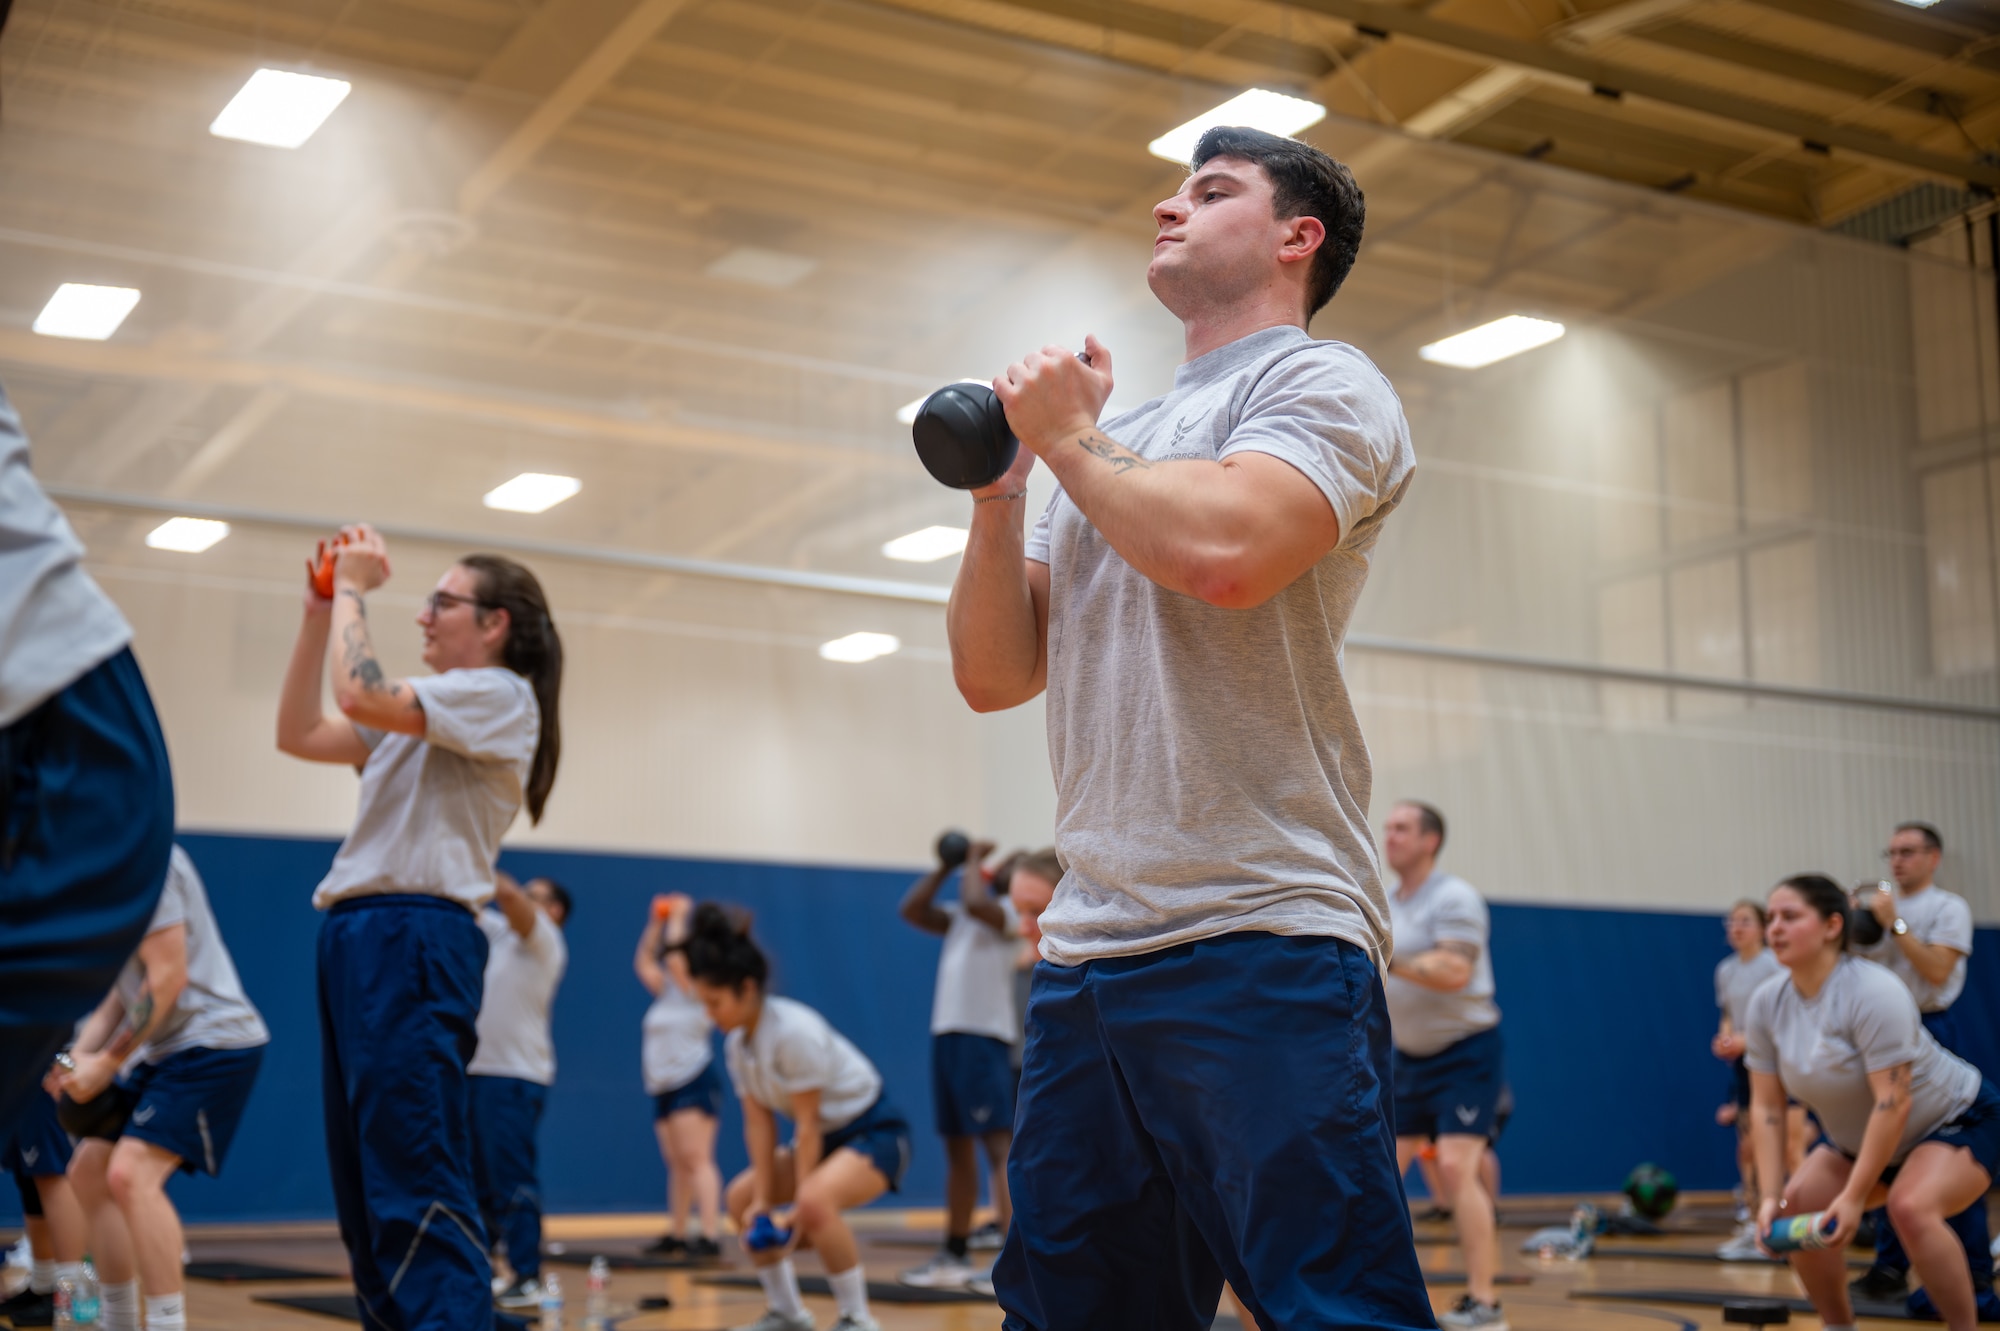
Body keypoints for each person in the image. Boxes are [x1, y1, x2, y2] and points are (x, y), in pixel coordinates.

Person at [946, 120, 1432, 1331]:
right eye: (1170, 188)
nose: (1168, 207)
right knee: (1071, 1316)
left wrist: (1065, 439)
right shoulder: (1119, 442)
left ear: (1294, 237)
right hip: (1089, 955)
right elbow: (995, 672)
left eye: (1208, 191)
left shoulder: (1319, 382)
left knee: (1329, 1310)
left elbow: (1225, 554)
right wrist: (1003, 495)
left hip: (1258, 925)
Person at [277, 524, 563, 1331]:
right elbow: (298, 732)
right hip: (363, 936)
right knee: (370, 1193)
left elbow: (358, 692)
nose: (426, 616)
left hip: (412, 934)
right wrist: (318, 610)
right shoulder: (433, 712)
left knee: (415, 1179)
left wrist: (359, 589)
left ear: (496, 622)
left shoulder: (500, 695)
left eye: (443, 602)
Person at [0, 380, 175, 1132]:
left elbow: (166, 972)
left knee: (118, 1172)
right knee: (108, 1172)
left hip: (54, 712)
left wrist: (97, 1060)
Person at [1746, 873, 2000, 1331]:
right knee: (1796, 1207)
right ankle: (1839, 1326)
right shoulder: (1766, 1004)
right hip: (1863, 1141)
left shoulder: (1873, 991)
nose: (1775, 929)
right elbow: (1766, 1109)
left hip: (1957, 1119)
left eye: (1790, 916)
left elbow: (1893, 1102)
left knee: (1909, 1207)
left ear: (1831, 926)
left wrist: (1853, 1197)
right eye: (1771, 918)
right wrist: (1767, 1199)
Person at [54, 845, 269, 1331]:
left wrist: (106, 1065)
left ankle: (167, 1326)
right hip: (162, 1050)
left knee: (130, 1175)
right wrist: (73, 1061)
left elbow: (167, 979)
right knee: (88, 1170)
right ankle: (119, 1321)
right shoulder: (97, 869)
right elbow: (120, 992)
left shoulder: (149, 858)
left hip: (215, 1043)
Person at [684, 904, 912, 1331]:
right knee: (741, 1199)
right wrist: (765, 1202)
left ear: (746, 988)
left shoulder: (793, 1032)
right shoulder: (737, 1046)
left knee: (813, 1202)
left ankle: (857, 1318)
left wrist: (799, 1213)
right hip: (824, 1139)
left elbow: (805, 1124)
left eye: (714, 1002)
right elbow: (760, 1124)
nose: (709, 1015)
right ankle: (787, 1312)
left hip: (875, 1132)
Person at [1380, 802, 1507, 1331]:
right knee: (1380, 1171)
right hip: (1407, 1056)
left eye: (1402, 828)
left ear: (1430, 840)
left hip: (1465, 1049)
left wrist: (1390, 959)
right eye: (1387, 828)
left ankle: (1484, 1302)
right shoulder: (1384, 902)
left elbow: (1455, 970)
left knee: (1455, 1166)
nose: (1390, 837)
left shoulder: (1454, 898)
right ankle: (1371, 1292)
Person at [1849, 822, 1986, 1303]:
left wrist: (1895, 924)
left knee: (1942, 1152)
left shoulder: (1948, 907)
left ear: (1934, 858)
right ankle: (1889, 1268)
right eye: (1892, 852)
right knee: (1886, 1151)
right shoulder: (1878, 907)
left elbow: (1937, 969)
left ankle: (1973, 1274)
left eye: (1908, 852)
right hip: (1877, 1036)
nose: (1897, 861)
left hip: (1932, 1027)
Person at [897, 836, 1020, 1289]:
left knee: (996, 1147)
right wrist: (942, 866)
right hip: (950, 1037)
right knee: (956, 1147)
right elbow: (911, 909)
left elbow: (973, 900)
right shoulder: (962, 919)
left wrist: (971, 861)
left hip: (984, 1038)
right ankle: (954, 1251)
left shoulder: (1009, 914)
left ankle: (1012, 1260)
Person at [469, 872, 571, 1308]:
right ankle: (481, 1269)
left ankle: (526, 1275)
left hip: (515, 1075)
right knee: (477, 1181)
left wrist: (473, 850)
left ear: (554, 911)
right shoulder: (499, 936)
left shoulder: (544, 939)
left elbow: (506, 893)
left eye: (537, 896)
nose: (524, 898)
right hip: (479, 1072)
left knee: (511, 1177)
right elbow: (472, 907)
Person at [1710, 899, 1807, 1260]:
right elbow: (1727, 1015)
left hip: (1780, 1062)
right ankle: (1756, 1226)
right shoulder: (1725, 970)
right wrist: (1726, 1039)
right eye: (1731, 922)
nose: (1736, 928)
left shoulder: (1774, 966)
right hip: (1745, 1068)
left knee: (1790, 1149)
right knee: (1749, 1148)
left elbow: (1783, 1020)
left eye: (1744, 921)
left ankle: (1800, 1226)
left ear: (1762, 926)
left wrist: (1747, 1040)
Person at [635, 892, 724, 1260]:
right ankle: (678, 1232)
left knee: (696, 1157)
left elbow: (673, 957)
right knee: (676, 1162)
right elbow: (644, 961)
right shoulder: (667, 992)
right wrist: (655, 922)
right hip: (664, 1084)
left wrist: (678, 917)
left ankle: (709, 1235)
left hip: (693, 1079)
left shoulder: (697, 990)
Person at [0, 1093, 88, 1327]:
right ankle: (43, 1285)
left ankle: (67, 1296)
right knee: (29, 1174)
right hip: (17, 1075)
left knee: (52, 1173)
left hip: (40, 1071)